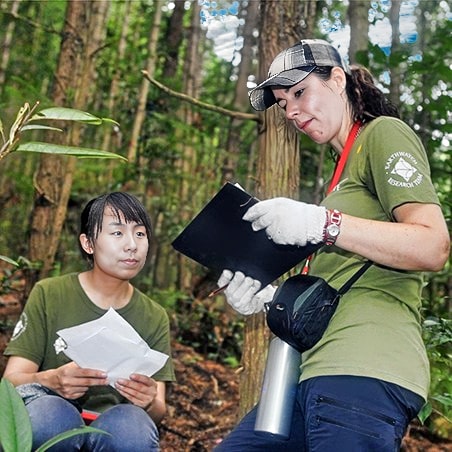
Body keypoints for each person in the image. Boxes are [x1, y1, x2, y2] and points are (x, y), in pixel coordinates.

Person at [214, 39, 450, 451]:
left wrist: (323, 222)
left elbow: (432, 245)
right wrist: (267, 299)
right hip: (307, 375)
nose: (291, 111)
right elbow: (341, 279)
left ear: (337, 79)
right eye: (284, 103)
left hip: (362, 368)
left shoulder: (382, 135)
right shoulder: (340, 179)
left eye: (300, 92)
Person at [3, 192, 176, 451]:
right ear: (88, 243)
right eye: (117, 233)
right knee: (51, 418)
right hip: (52, 416)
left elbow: (157, 411)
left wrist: (149, 401)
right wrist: (50, 380)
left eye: (140, 234)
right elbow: (10, 383)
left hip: (115, 427)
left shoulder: (153, 315)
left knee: (133, 429)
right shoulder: (50, 294)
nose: (132, 245)